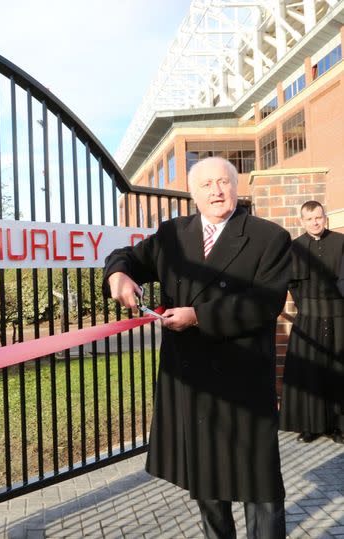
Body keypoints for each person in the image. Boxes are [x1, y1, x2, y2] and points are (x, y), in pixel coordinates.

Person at [104, 156, 291, 539]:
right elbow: (127, 257)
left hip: (243, 381)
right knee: (205, 480)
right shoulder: (174, 234)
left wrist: (199, 316)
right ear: (192, 193)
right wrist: (119, 276)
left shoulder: (268, 237)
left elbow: (265, 303)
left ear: (237, 188)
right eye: (206, 185)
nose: (216, 190)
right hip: (190, 380)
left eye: (223, 182)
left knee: (261, 487)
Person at [279, 201, 344, 444]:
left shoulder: (341, 243)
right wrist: (307, 307)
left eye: (318, 217)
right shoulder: (295, 248)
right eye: (309, 219)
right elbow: (292, 285)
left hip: (339, 316)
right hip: (309, 318)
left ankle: (339, 426)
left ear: (325, 217)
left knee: (338, 370)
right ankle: (311, 426)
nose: (315, 222)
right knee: (309, 371)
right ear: (302, 221)